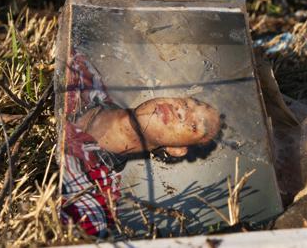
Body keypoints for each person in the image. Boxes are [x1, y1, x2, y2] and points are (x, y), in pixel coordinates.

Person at [61, 52, 222, 236]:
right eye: (189, 103)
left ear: (176, 149)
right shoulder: (83, 74)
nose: (182, 112)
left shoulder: (95, 193)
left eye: (194, 125)